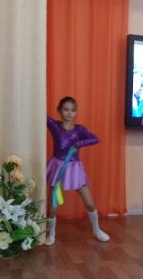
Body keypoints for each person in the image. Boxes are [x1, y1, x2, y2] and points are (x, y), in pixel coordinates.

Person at [45, 96, 109, 245]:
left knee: (90, 203)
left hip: (74, 168)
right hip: (58, 167)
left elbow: (95, 139)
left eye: (73, 110)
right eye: (66, 109)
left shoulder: (79, 129)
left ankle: (97, 230)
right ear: (59, 111)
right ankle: (51, 234)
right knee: (53, 205)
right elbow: (41, 115)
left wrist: (78, 143)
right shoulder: (54, 126)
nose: (69, 113)